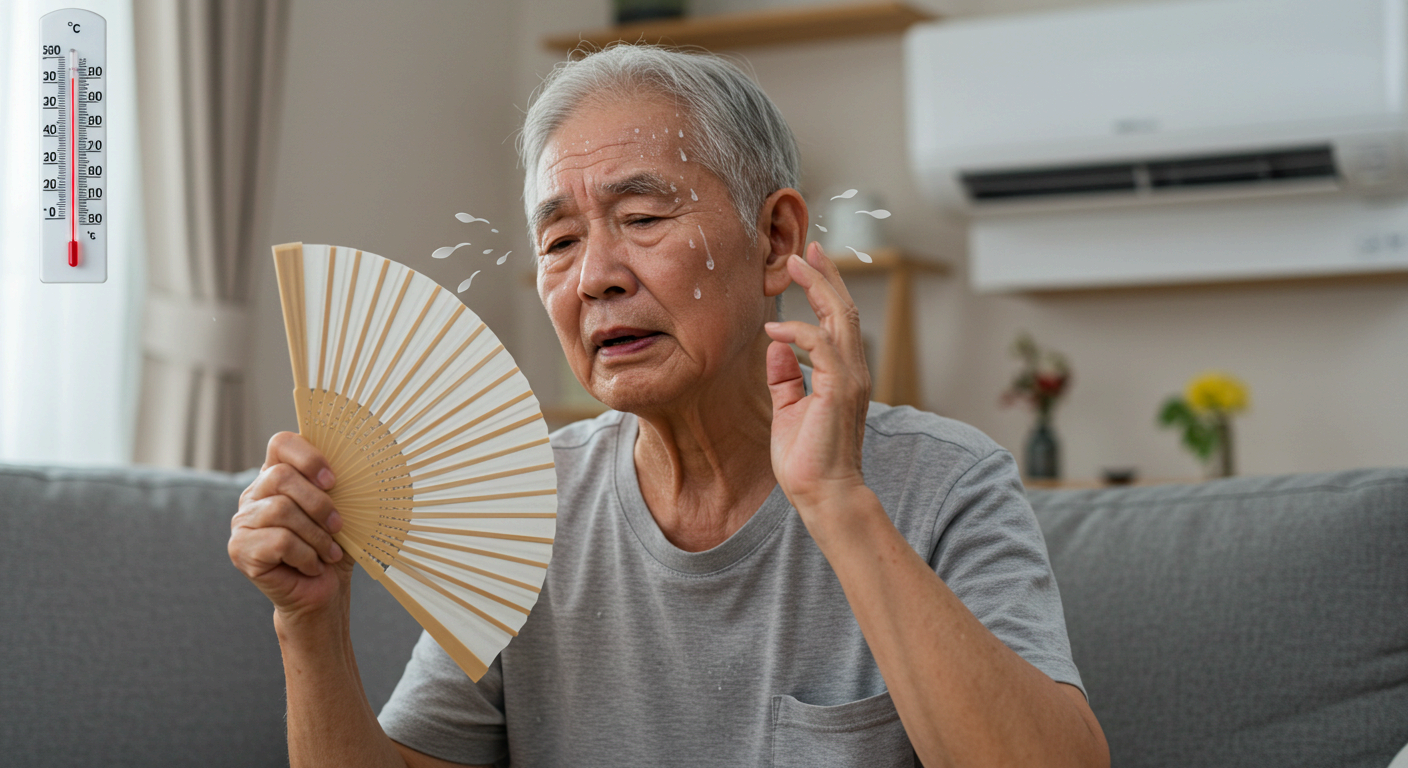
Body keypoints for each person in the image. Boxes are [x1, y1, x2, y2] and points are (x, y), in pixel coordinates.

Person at [229, 45, 1109, 768]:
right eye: (560, 240)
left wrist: (838, 502)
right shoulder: (523, 503)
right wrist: (309, 623)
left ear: (776, 238)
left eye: (643, 217)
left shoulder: (946, 480)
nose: (594, 276)